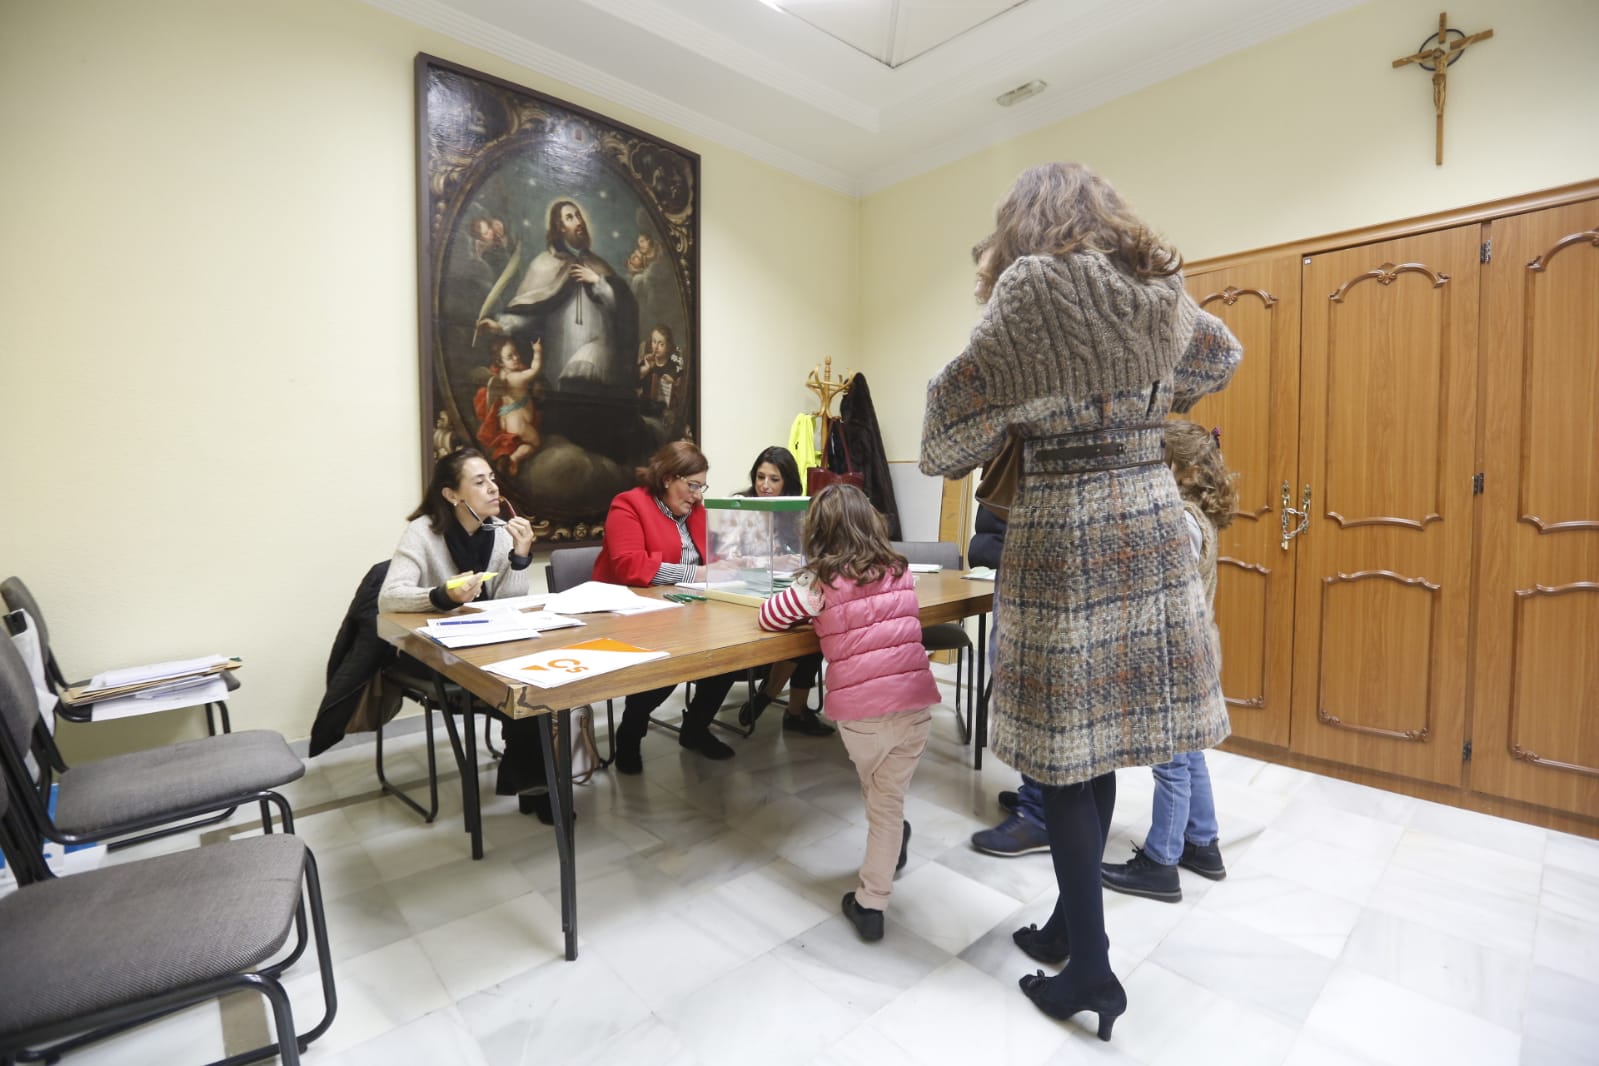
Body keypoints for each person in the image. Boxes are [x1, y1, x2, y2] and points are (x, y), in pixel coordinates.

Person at [919, 162, 1241, 1040]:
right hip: (1146, 508)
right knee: (1095, 738)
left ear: (1021, 225)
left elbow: (942, 437)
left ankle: (1091, 971)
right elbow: (1222, 354)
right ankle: (1070, 923)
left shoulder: (1026, 291)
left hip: (1062, 521)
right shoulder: (1157, 284)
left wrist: (1026, 414)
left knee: (1064, 750)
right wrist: (1139, 409)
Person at [758, 484, 941, 942]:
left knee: (880, 799)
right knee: (887, 796)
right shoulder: (899, 570)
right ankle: (893, 840)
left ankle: (871, 902)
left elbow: (769, 617)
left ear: (816, 531)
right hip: (916, 704)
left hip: (863, 716)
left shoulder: (816, 582)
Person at [378, 449, 556, 821]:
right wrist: (441, 595)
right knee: (515, 682)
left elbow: (506, 601)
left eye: (492, 478)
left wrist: (521, 556)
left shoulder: (499, 532)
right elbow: (389, 596)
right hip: (431, 652)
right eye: (479, 482)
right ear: (452, 494)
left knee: (535, 680)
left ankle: (532, 782)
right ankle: (532, 783)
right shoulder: (423, 532)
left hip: (485, 644)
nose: (493, 488)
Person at [1101, 421, 1236, 901]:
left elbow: (1158, 589)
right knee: (1190, 748)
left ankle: (1161, 862)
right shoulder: (1196, 514)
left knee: (1170, 759)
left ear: (1176, 467)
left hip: (1173, 655)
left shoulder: (1179, 520)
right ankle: (1202, 843)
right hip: (1195, 647)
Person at [592, 441, 744, 773]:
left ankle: (696, 728)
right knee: (669, 667)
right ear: (666, 479)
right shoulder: (628, 504)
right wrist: (699, 572)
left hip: (689, 610)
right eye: (692, 485)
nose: (697, 495)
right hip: (632, 613)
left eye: (701, 487)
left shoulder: (697, 510)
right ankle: (631, 731)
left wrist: (734, 560)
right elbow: (630, 566)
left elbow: (716, 556)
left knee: (730, 655)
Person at [480, 199, 637, 393]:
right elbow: (530, 312)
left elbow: (623, 309)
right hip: (559, 354)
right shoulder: (544, 265)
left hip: (599, 353)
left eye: (579, 216)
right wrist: (501, 325)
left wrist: (598, 281)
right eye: (570, 218)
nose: (579, 222)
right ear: (559, 227)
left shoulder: (597, 265)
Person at [966, 501, 1051, 858]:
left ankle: (1040, 815)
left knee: (1029, 693)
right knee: (1015, 684)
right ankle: (1038, 797)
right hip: (1017, 559)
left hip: (1031, 563)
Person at [735, 446, 832, 737]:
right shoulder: (740, 506)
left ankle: (777, 700)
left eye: (773, 479)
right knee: (803, 629)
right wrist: (771, 560)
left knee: (814, 630)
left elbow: (811, 555)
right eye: (760, 477)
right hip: (745, 591)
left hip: (786, 590)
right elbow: (728, 556)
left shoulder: (800, 511)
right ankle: (787, 705)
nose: (764, 485)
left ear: (787, 482)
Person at [474, 335, 543, 476]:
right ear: (500, 361)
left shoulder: (500, 375)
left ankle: (506, 458)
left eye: (516, 353)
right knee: (535, 443)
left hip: (506, 420)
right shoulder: (516, 378)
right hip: (518, 423)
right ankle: (514, 458)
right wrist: (538, 352)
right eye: (510, 356)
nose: (516, 358)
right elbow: (535, 369)